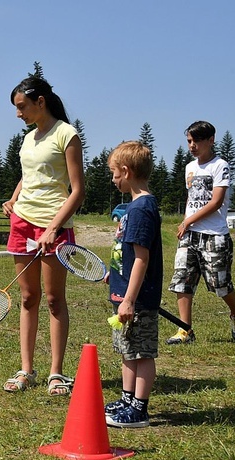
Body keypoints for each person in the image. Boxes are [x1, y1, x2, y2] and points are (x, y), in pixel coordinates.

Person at [1, 75, 85, 395]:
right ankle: (26, 370)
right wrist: (13, 198)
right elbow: (29, 177)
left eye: (21, 106)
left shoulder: (67, 134)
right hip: (22, 223)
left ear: (40, 102)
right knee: (27, 297)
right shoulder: (28, 138)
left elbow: (77, 191)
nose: (18, 113)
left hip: (55, 226)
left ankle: (56, 373)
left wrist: (53, 228)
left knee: (53, 299)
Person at [167, 121, 235, 344]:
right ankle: (185, 331)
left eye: (196, 141)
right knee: (182, 281)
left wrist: (188, 221)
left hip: (215, 234)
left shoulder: (220, 165)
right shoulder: (189, 168)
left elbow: (216, 201)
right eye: (189, 141)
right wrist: (186, 222)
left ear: (210, 140)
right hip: (189, 234)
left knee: (220, 284)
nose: (192, 146)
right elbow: (191, 198)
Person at [104, 141, 163, 428]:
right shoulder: (131, 208)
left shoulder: (141, 209)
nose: (113, 179)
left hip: (137, 300)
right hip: (124, 293)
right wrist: (114, 273)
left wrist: (129, 299)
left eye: (114, 173)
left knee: (141, 352)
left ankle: (139, 408)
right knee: (127, 350)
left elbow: (141, 258)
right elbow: (126, 254)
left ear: (126, 172)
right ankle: (127, 399)